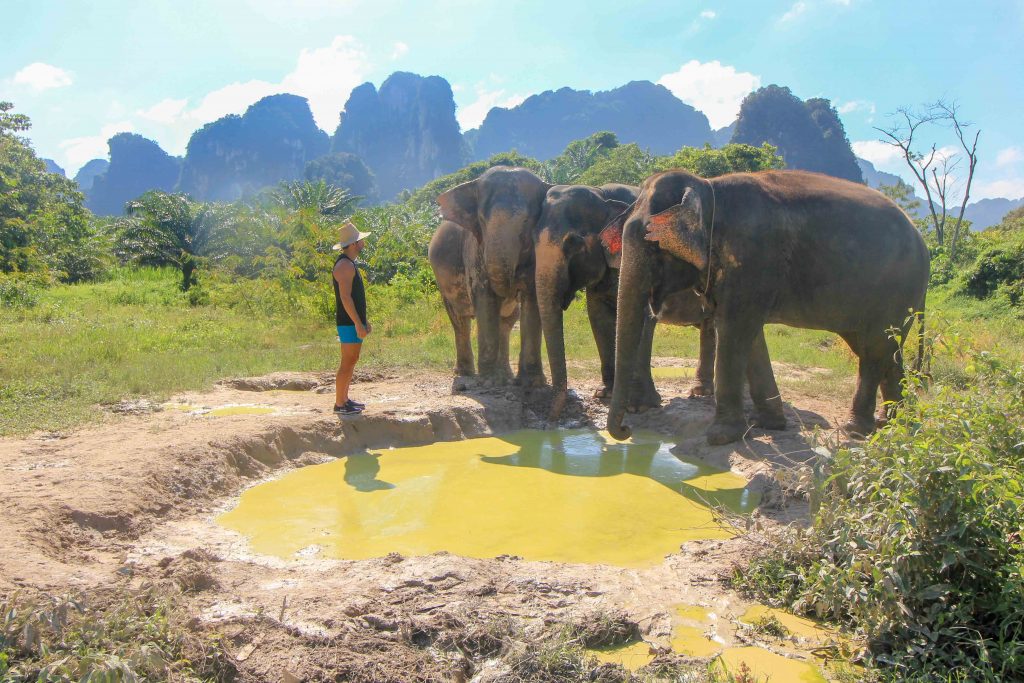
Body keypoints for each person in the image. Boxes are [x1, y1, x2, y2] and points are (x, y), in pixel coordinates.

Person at [332, 221, 372, 415]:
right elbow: (345, 298)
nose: (363, 243)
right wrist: (357, 323)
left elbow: (354, 298)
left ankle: (344, 400)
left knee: (352, 359)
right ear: (354, 244)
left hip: (352, 322)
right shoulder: (344, 266)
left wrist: (363, 320)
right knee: (347, 361)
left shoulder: (348, 264)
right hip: (348, 323)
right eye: (361, 240)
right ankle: (340, 404)